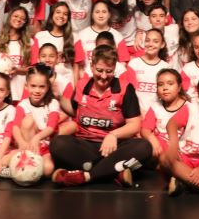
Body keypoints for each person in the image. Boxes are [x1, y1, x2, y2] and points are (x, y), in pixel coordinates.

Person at [50, 46, 152, 187]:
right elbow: (74, 111)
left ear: (114, 68)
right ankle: (113, 172)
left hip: (115, 148)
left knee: (144, 147)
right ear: (92, 67)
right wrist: (59, 97)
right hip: (86, 145)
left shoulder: (125, 88)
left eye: (109, 71)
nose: (104, 76)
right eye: (99, 70)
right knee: (57, 144)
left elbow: (135, 125)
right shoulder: (82, 85)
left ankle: (87, 176)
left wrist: (113, 135)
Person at [13, 64, 63, 178]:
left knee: (48, 169)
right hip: (27, 146)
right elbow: (15, 126)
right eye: (33, 86)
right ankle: (23, 163)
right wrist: (21, 142)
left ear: (48, 87)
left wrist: (37, 138)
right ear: (26, 86)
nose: (37, 90)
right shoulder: (23, 105)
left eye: (42, 87)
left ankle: (29, 168)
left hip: (44, 147)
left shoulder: (53, 103)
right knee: (28, 121)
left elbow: (51, 127)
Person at [141, 69, 190, 161]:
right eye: (160, 84)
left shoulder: (189, 108)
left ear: (179, 87)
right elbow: (145, 130)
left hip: (177, 152)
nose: (165, 88)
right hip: (156, 149)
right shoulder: (155, 106)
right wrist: (152, 139)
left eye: (170, 84)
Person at [124, 28, 174, 112]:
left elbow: (167, 94)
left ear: (162, 44)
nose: (150, 44)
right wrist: (138, 111)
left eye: (155, 41)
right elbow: (129, 93)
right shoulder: (134, 64)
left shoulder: (166, 67)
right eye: (147, 40)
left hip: (158, 113)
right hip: (136, 112)